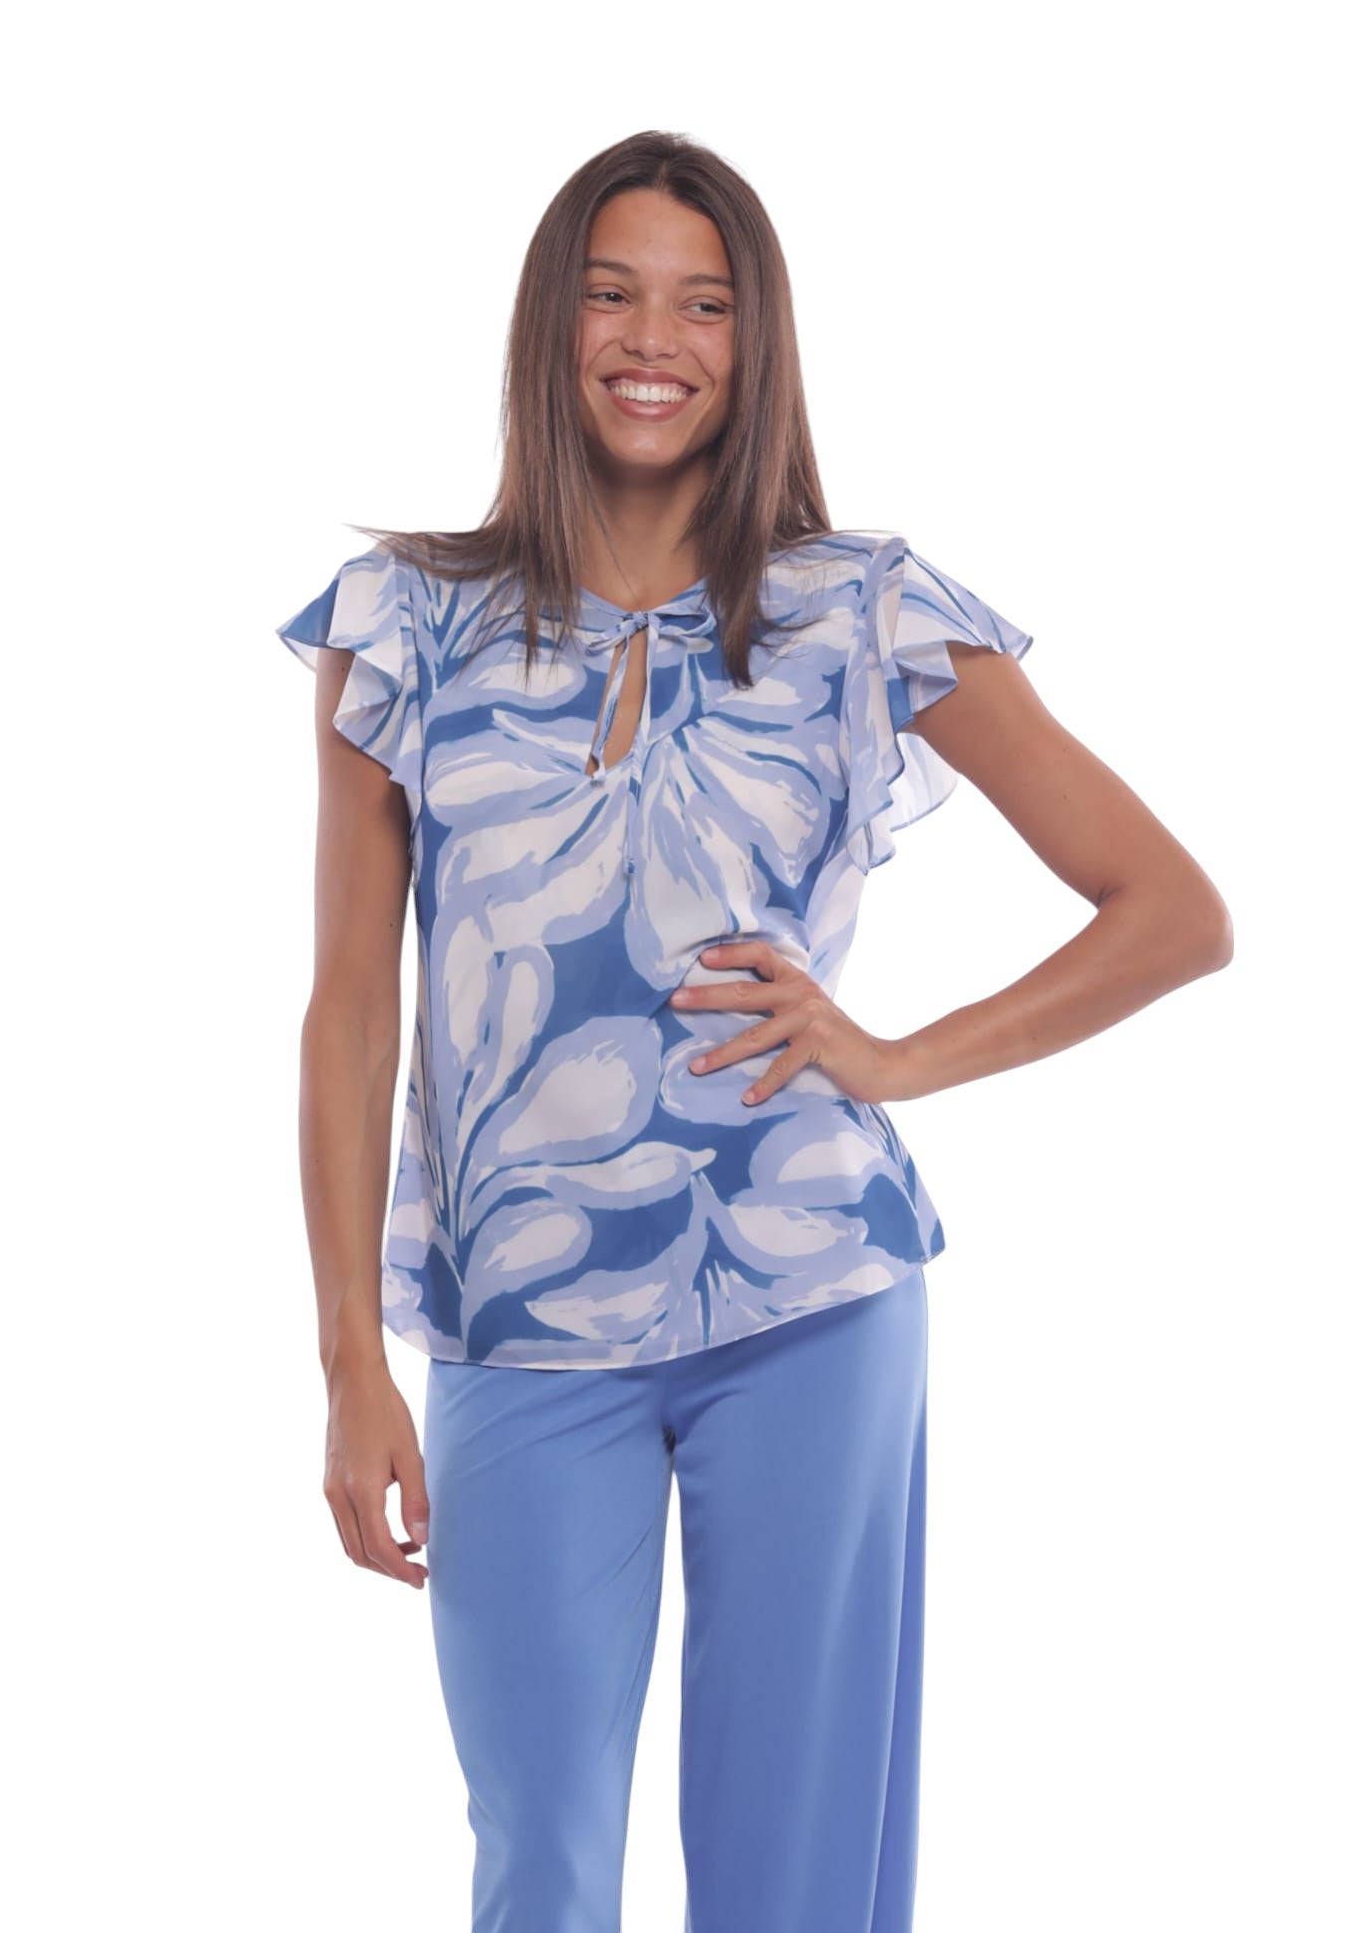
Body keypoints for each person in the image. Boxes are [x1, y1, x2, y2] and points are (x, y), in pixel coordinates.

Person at [275, 129, 1233, 1933]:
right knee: (540, 1860)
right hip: (516, 1317)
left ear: (756, 340)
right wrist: (346, 1358)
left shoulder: (860, 609)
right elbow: (348, 1005)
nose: (656, 340)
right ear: (550, 325)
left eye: (704, 304)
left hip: (809, 1296)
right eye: (613, 293)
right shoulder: (402, 621)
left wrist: (892, 1058)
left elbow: (1172, 912)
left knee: (793, 1873)